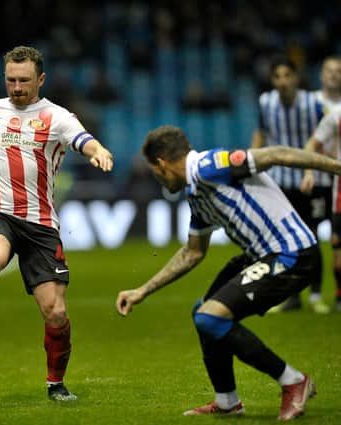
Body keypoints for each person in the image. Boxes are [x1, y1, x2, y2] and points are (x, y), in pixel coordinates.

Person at [114, 125, 341, 420]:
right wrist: (142, 290)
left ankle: (293, 380)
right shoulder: (196, 193)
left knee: (211, 317)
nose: (157, 178)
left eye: (155, 171)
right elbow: (193, 252)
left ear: (161, 163)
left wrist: (337, 167)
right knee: (202, 314)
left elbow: (276, 154)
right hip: (260, 255)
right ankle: (227, 401)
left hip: (292, 253)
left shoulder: (211, 166)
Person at [0, 45, 114, 401]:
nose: (16, 87)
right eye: (11, 80)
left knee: (56, 312)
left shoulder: (56, 116)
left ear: (40, 79)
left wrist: (99, 152)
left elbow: (83, 140)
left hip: (41, 221)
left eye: (24, 81)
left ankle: (55, 385)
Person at [250, 56, 327, 313]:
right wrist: (249, 166)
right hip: (279, 181)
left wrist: (312, 169)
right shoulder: (265, 102)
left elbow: (321, 137)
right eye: (277, 77)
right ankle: (289, 297)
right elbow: (260, 134)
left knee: (311, 238)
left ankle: (315, 296)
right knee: (283, 242)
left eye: (287, 75)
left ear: (295, 78)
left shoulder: (312, 103)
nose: (282, 81)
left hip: (309, 180)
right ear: (272, 80)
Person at [302, 55, 341, 312]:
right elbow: (309, 139)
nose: (333, 75)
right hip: (320, 178)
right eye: (329, 70)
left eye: (338, 71)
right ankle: (315, 294)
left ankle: (337, 294)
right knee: (312, 236)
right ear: (321, 74)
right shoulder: (311, 103)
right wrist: (309, 169)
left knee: (337, 240)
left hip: (336, 179)